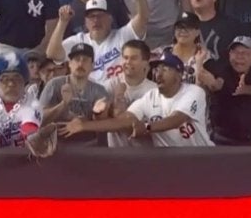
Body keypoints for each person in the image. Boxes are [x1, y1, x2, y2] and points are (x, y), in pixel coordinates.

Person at [59, 50, 214, 147]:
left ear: (179, 75)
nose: (158, 74)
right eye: (157, 69)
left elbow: (176, 120)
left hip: (200, 157)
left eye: (165, 69)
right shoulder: (150, 97)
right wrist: (84, 125)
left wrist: (146, 127)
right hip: (169, 162)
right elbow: (123, 121)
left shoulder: (194, 92)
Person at [46, 0, 147, 83]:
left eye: (100, 15)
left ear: (110, 18)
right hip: (91, 93)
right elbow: (52, 54)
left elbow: (143, 19)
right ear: (85, 21)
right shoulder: (79, 41)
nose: (96, 20)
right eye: (91, 16)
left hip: (122, 90)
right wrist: (62, 22)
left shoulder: (122, 35)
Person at [39, 43, 111, 146]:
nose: (80, 64)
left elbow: (104, 127)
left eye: (85, 60)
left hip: (89, 146)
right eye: (77, 59)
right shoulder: (54, 84)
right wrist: (63, 104)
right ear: (69, 64)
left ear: (92, 66)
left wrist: (97, 114)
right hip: (57, 145)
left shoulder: (99, 90)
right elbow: (40, 120)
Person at [206, 36, 251, 146]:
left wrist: (246, 89)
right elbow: (217, 84)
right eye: (235, 53)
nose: (240, 57)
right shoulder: (223, 70)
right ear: (229, 55)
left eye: (245, 53)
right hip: (222, 139)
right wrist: (212, 83)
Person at [101, 39, 156, 147]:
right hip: (114, 152)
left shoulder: (154, 91)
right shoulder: (110, 85)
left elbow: (147, 128)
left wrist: (119, 98)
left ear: (145, 62)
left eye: (133, 58)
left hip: (144, 152)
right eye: (125, 58)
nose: (128, 62)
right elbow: (99, 119)